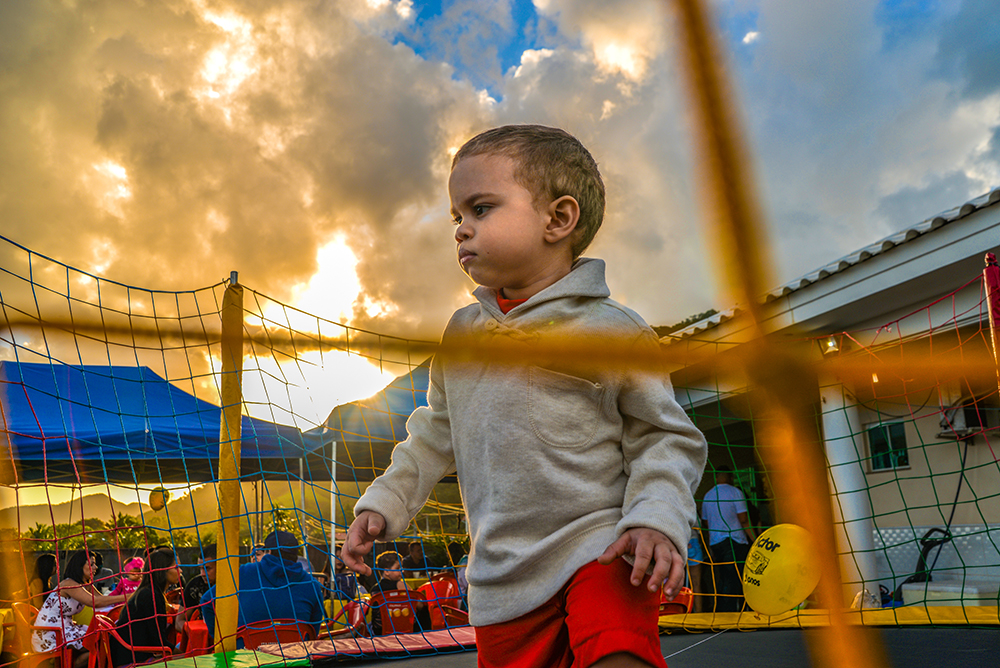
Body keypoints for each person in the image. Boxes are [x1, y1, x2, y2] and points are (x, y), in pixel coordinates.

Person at [342, 125, 707, 668]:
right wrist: (386, 501)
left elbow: (665, 437)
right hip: (501, 573)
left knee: (618, 654)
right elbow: (434, 431)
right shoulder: (461, 335)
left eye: (480, 209)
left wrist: (655, 517)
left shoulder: (613, 332)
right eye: (456, 218)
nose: (461, 230)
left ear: (557, 220)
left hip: (601, 547)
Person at [200, 531, 324, 646]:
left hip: (246, 660)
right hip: (296, 659)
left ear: (268, 552)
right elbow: (312, 631)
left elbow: (207, 601)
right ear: (296, 555)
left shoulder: (243, 573)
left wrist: (225, 640)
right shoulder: (312, 585)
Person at [32, 550, 129, 668]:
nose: (96, 567)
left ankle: (75, 663)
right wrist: (127, 596)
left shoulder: (86, 584)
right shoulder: (69, 584)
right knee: (100, 642)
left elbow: (102, 599)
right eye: (92, 564)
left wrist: (127, 599)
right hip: (51, 632)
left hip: (66, 628)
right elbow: (95, 602)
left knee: (103, 641)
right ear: (79, 566)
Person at [110, 547, 185, 667]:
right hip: (131, 661)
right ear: (162, 570)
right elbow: (158, 642)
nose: (180, 571)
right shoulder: (151, 596)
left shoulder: (149, 591)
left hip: (130, 655)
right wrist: (185, 655)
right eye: (176, 567)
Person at [701, 467, 757, 613]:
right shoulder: (735, 492)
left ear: (716, 478)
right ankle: (736, 611)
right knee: (738, 578)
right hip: (734, 541)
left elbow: (706, 524)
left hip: (717, 543)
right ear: (731, 478)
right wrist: (756, 541)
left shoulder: (707, 496)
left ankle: (723, 612)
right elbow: (744, 520)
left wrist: (709, 547)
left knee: (724, 577)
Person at [369, 551, 430, 636]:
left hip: (381, 631)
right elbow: (419, 605)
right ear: (386, 571)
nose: (402, 571)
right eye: (398, 568)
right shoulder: (400, 585)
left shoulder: (374, 590)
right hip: (406, 629)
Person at [182, 544, 216, 618]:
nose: (202, 574)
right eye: (200, 568)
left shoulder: (238, 584)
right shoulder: (195, 586)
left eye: (207, 568)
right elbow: (179, 621)